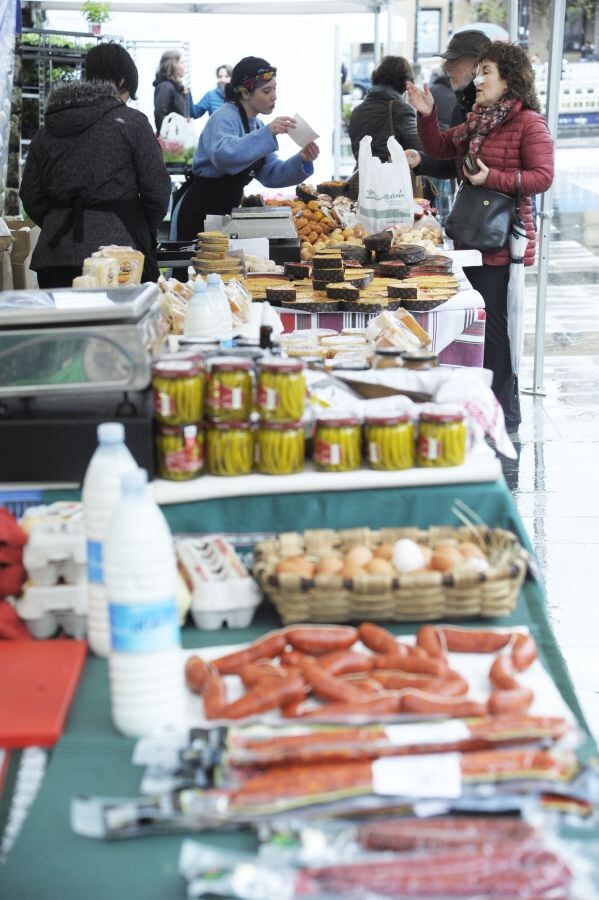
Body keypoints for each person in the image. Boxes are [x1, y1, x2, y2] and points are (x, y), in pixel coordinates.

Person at [406, 41, 554, 431]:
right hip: (472, 236)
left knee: (496, 329)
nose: (479, 78)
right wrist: (427, 114)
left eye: (487, 71)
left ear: (509, 80)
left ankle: (503, 413)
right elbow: (439, 145)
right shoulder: (478, 118)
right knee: (481, 323)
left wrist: (493, 179)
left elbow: (543, 177)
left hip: (504, 241)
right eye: (480, 70)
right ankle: (482, 403)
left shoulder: (529, 123)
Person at [19, 42, 171, 288]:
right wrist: (136, 226)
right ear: (122, 82)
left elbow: (30, 196)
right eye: (127, 95)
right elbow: (158, 190)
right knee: (119, 326)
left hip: (55, 255)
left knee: (64, 326)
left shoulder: (48, 129)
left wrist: (58, 220)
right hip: (119, 257)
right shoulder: (132, 123)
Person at [172, 56, 319, 241]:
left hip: (225, 211)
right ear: (246, 93)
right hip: (200, 210)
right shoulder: (224, 117)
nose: (274, 96)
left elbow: (271, 173)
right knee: (197, 267)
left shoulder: (258, 126)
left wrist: (302, 160)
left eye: (275, 89)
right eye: (266, 90)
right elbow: (224, 156)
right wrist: (268, 133)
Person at [346, 55, 422, 201]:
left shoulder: (357, 111)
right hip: (392, 192)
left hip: (362, 186)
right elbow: (418, 149)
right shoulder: (399, 108)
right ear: (405, 82)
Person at [154, 49, 193, 134]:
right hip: (170, 141)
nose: (184, 66)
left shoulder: (177, 87)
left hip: (178, 137)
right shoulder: (165, 87)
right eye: (181, 63)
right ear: (173, 65)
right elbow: (159, 113)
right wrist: (165, 138)